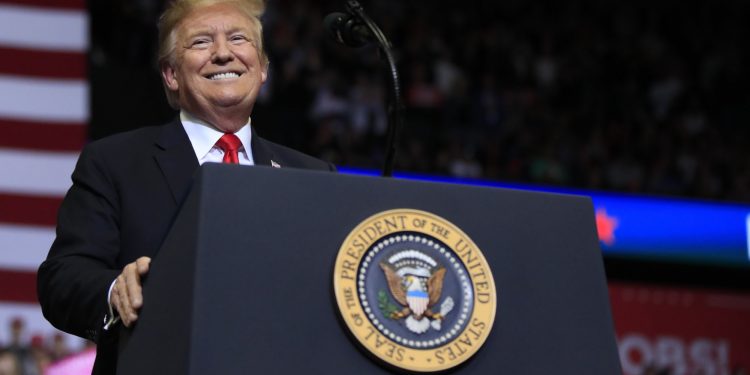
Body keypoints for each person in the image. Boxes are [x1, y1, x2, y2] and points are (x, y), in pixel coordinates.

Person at [37, 0, 334, 373]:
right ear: (171, 75)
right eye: (201, 43)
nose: (224, 53)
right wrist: (116, 290)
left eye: (238, 39)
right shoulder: (115, 162)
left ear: (261, 69)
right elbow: (62, 277)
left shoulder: (313, 176)